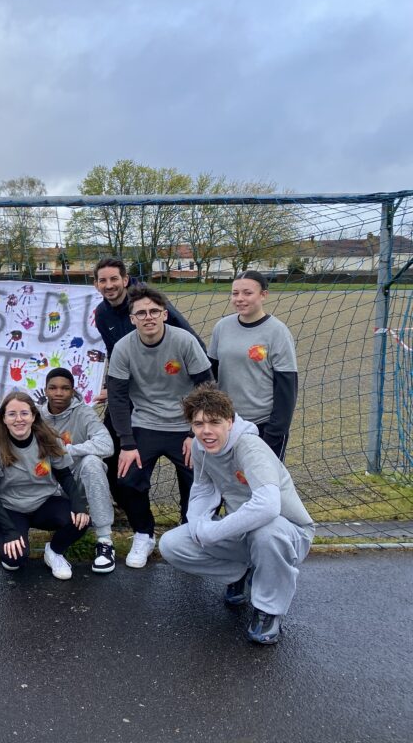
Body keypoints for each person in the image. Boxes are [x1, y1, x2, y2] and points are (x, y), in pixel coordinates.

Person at [159, 384, 314, 645]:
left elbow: (268, 506)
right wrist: (199, 527)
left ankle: (269, 609)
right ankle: (242, 574)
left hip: (289, 532)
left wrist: (215, 532)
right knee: (172, 544)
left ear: (229, 422)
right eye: (198, 424)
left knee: (267, 532)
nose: (206, 431)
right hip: (244, 531)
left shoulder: (250, 447)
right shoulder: (201, 447)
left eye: (214, 422)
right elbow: (201, 491)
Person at [92, 257, 206, 542]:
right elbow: (118, 359)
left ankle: (191, 522)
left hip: (178, 406)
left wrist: (199, 425)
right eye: (103, 280)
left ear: (125, 279)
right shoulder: (102, 315)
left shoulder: (152, 307)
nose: (109, 285)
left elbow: (199, 365)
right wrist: (114, 385)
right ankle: (131, 517)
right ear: (96, 285)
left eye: (113, 279)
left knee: (193, 468)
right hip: (135, 401)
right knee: (114, 453)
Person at [107, 284, 213, 569]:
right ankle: (144, 534)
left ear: (165, 314)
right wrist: (127, 443)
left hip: (184, 426)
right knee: (127, 480)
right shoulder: (123, 347)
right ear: (132, 319)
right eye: (141, 313)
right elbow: (116, 397)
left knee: (199, 481)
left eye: (154, 311)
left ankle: (189, 532)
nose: (148, 317)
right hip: (145, 424)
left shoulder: (184, 341)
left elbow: (207, 387)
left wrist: (196, 433)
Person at [0, 391, 90, 580]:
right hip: (10, 508)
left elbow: (65, 476)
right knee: (14, 561)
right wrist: (10, 531)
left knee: (81, 519)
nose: (18, 419)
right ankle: (4, 529)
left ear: (33, 416)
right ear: (3, 419)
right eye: (12, 414)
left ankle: (54, 551)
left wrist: (79, 504)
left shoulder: (49, 440)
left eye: (24, 413)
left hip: (44, 503)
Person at [208, 271, 298, 460]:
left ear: (263, 295)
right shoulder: (222, 327)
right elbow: (211, 376)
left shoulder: (278, 332)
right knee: (228, 482)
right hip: (227, 422)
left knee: (262, 484)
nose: (239, 299)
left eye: (247, 293)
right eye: (235, 293)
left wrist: (274, 432)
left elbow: (286, 388)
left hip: (262, 425)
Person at [35, 368, 116, 573]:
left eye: (65, 388)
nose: (59, 393)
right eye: (53, 388)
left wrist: (67, 450)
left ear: (73, 391)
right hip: (47, 482)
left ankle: (104, 540)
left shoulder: (83, 412)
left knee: (92, 462)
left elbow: (107, 445)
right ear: (45, 390)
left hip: (75, 478)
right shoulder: (35, 415)